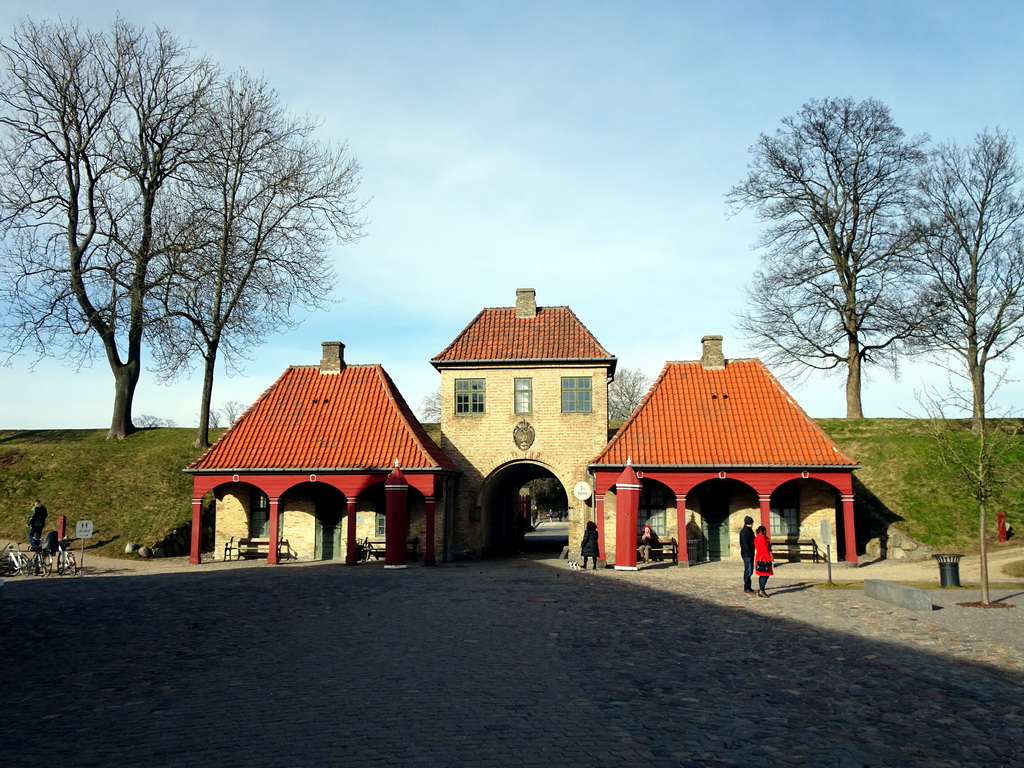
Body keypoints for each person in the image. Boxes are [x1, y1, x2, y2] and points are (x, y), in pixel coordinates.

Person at [753, 524, 773, 598]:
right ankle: (762, 590)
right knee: (765, 574)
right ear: (763, 531)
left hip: (760, 557)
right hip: (764, 558)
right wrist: (768, 560)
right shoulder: (761, 538)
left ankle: (761, 589)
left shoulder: (758, 538)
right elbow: (764, 550)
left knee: (763, 575)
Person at [739, 516, 756, 594]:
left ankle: (749, 587)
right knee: (748, 571)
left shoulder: (749, 531)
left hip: (750, 553)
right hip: (747, 554)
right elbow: (744, 544)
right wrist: (749, 552)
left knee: (750, 571)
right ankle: (747, 588)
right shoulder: (744, 532)